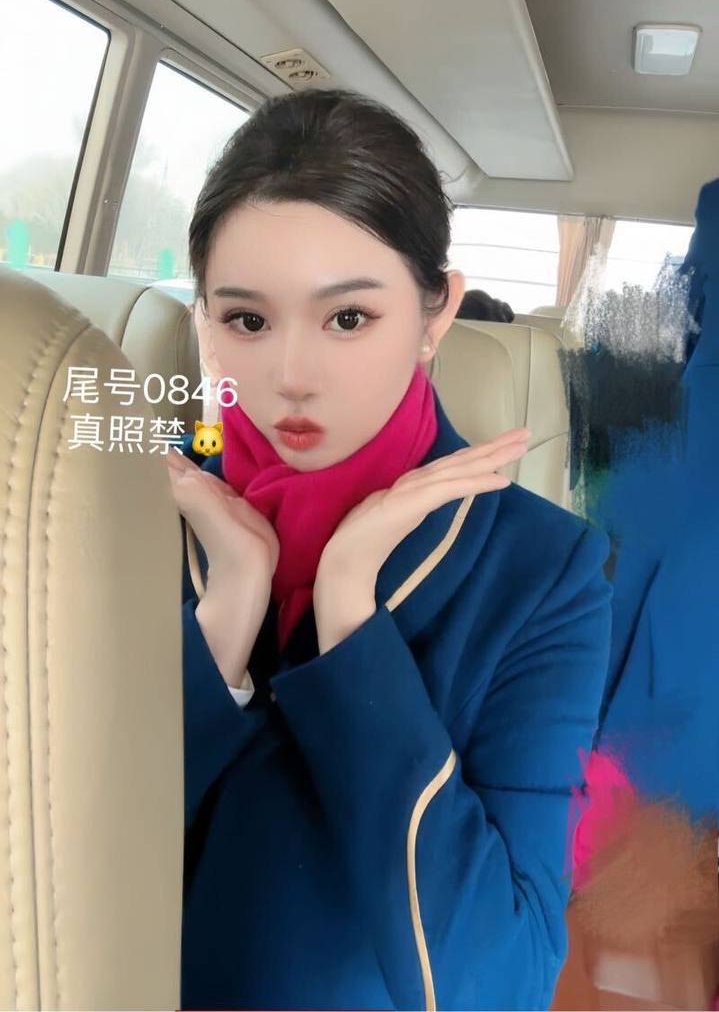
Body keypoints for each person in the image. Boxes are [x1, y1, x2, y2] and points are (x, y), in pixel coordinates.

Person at [164, 89, 612, 1012]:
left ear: (434, 313)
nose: (290, 376)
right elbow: (48, 864)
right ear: (203, 318)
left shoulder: (541, 575)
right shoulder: (118, 513)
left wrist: (348, 616)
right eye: (246, 320)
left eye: (347, 319)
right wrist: (227, 611)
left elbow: (495, 987)